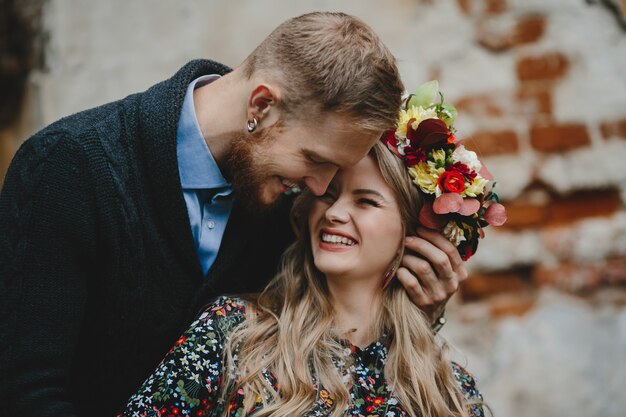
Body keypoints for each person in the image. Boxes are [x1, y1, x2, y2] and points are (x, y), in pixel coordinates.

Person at [0, 12, 466, 416]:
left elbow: (328, 334)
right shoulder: (68, 167)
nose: (321, 190)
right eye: (316, 159)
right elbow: (25, 392)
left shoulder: (288, 201)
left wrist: (411, 305)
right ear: (261, 106)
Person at [120, 141, 484, 417]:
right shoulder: (233, 334)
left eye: (366, 201)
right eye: (327, 194)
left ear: (414, 233)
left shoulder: (446, 386)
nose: (335, 212)